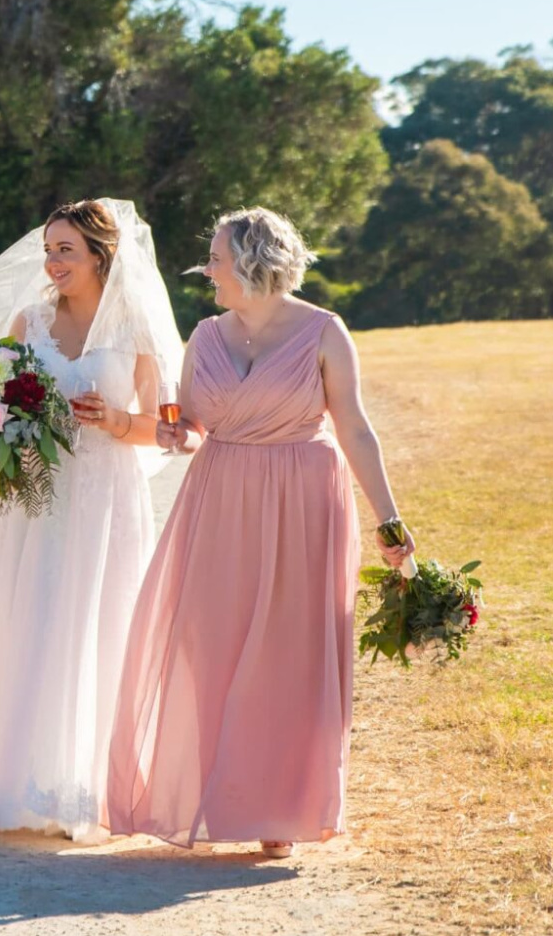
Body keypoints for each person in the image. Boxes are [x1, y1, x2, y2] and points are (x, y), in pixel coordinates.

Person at [106, 207, 415, 857]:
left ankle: (283, 809)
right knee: (207, 642)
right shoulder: (207, 335)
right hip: (219, 498)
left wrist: (389, 518)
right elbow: (190, 423)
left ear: (252, 261)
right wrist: (175, 433)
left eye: (216, 257)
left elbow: (355, 427)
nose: (207, 269)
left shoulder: (325, 332)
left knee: (288, 655)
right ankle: (220, 794)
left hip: (304, 501)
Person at [0, 199, 181, 841]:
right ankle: (15, 773)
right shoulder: (30, 319)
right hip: (33, 497)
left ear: (100, 254)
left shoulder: (135, 329)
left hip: (105, 494)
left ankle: (89, 780)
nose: (52, 262)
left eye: (65, 249)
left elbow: (170, 429)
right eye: (48, 249)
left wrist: (117, 422)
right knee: (32, 616)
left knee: (98, 621)